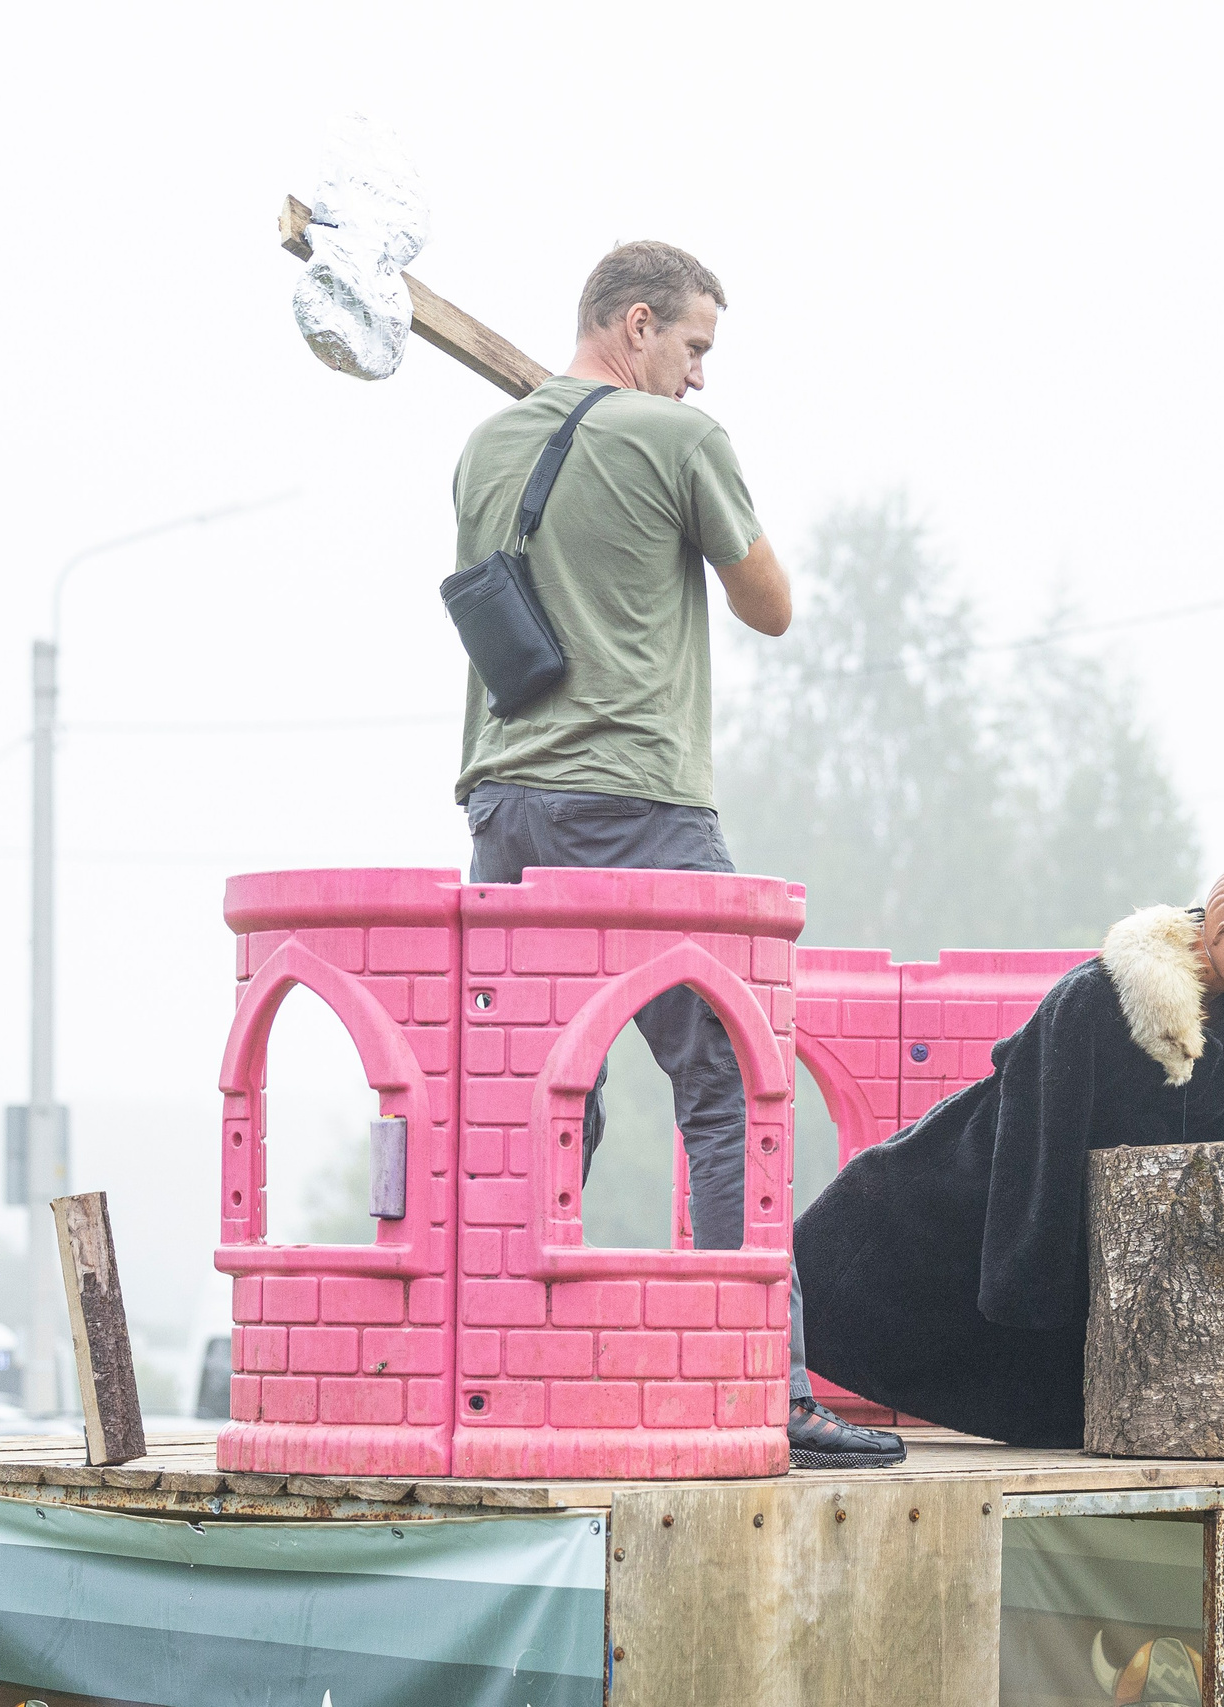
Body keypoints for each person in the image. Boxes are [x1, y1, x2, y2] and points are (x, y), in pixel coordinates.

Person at [451, 240, 903, 1470]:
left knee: (535, 1104)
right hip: (640, 807)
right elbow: (770, 604)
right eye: (695, 347)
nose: (701, 376)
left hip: (502, 811)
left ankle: (491, 1372)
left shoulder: (488, 448)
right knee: (731, 1089)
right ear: (638, 325)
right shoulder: (682, 444)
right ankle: (757, 1389)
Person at [791, 861, 1224, 1448]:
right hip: (982, 1188)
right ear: (1218, 928)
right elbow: (1039, 1143)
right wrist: (1035, 1294)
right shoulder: (1094, 999)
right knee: (833, 1261)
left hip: (1113, 1249)